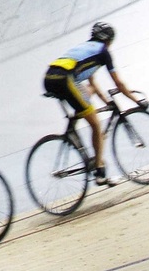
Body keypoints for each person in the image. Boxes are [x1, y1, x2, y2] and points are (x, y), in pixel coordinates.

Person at [44, 22, 143, 186]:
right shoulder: (103, 52)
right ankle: (100, 173)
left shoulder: (87, 48)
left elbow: (92, 83)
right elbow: (118, 83)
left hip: (52, 78)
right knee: (96, 125)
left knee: (86, 92)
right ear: (109, 40)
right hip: (64, 80)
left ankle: (73, 132)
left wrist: (108, 102)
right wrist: (136, 100)